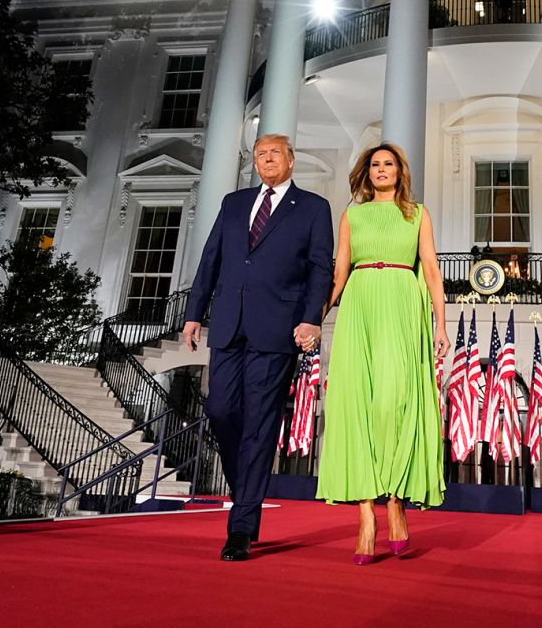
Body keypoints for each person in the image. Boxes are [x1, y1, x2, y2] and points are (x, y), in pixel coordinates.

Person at [182, 133, 332, 562]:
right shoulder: (234, 202)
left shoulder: (312, 208)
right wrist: (195, 312)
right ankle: (245, 485)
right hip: (229, 323)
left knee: (259, 427)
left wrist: (311, 318)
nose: (266, 159)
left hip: (277, 329)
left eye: (274, 153)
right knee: (220, 410)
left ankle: (241, 527)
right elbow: (212, 257)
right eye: (260, 154)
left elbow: (320, 267)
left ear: (291, 160)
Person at [315, 143, 448, 564]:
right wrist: (313, 318)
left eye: (388, 164)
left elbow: (430, 268)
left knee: (394, 402)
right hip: (359, 306)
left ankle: (395, 502)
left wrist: (440, 324)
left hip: (403, 304)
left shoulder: (417, 213)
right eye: (375, 164)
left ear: (400, 171)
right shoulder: (352, 214)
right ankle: (366, 518)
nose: (381, 170)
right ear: (366, 173)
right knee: (357, 405)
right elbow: (339, 272)